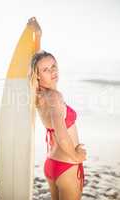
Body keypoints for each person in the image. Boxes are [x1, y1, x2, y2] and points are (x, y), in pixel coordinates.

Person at [28, 50, 87, 200]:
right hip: (67, 165)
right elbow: (61, 135)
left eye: (53, 66)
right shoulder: (54, 97)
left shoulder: (38, 95)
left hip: (52, 165)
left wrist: (36, 32)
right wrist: (77, 156)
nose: (52, 71)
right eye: (46, 70)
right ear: (38, 76)